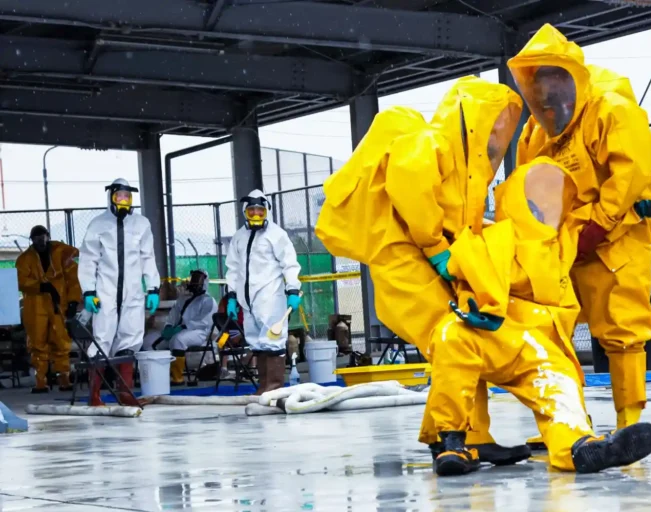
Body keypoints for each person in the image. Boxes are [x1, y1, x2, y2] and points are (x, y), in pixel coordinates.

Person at [316, 76, 531, 467]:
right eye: (493, 123)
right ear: (472, 119)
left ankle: (469, 436)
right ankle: (452, 440)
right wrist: (435, 249)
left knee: (463, 340)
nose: (497, 135)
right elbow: (410, 184)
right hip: (402, 261)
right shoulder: (434, 144)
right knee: (456, 338)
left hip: (417, 262)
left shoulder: (465, 171)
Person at [422, 158, 651, 477]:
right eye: (533, 203)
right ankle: (451, 442)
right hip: (494, 335)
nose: (545, 211)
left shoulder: (561, 241)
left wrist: (640, 209)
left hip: (540, 349)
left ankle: (579, 448)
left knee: (560, 383)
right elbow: (464, 267)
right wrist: (473, 305)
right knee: (451, 335)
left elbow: (595, 219)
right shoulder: (493, 238)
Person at [509, 24, 651, 434]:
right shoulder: (537, 132)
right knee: (550, 328)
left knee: (623, 326)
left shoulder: (611, 110)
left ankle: (629, 422)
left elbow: (630, 174)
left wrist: (601, 222)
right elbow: (526, 185)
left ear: (570, 77)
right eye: (539, 88)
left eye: (553, 84)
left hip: (619, 236)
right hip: (565, 241)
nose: (547, 97)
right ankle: (567, 424)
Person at [78, 178, 161, 405]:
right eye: (119, 196)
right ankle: (94, 395)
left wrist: (153, 287)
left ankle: (125, 393)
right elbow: (88, 260)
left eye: (127, 196)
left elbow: (148, 257)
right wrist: (88, 291)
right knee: (102, 338)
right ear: (111, 197)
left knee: (131, 337)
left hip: (133, 292)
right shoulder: (98, 225)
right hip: (105, 291)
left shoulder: (141, 224)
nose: (123, 200)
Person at [224, 190, 301, 395]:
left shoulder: (277, 235)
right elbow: (233, 268)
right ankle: (263, 388)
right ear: (245, 212)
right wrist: (232, 296)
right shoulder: (239, 237)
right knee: (256, 342)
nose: (256, 214)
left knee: (272, 341)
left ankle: (274, 388)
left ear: (267, 211)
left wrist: (293, 289)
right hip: (247, 300)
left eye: (260, 210)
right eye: (252, 210)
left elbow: (290, 264)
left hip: (271, 297)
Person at [16, 225, 82, 393]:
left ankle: (64, 378)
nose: (41, 240)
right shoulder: (24, 259)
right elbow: (21, 281)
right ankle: (40, 381)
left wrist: (73, 302)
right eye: (36, 237)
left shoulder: (62, 254)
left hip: (58, 306)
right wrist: (41, 286)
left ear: (48, 236)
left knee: (61, 341)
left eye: (43, 236)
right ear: (32, 240)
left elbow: (73, 280)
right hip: (35, 306)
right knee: (37, 343)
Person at [159, 269, 216, 385]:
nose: (194, 282)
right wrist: (168, 326)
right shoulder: (183, 299)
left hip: (200, 332)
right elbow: (173, 314)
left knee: (178, 340)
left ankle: (177, 378)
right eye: (193, 278)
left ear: (204, 281)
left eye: (198, 279)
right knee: (152, 342)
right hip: (180, 330)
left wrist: (183, 327)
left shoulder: (208, 300)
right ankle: (158, 375)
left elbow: (204, 322)